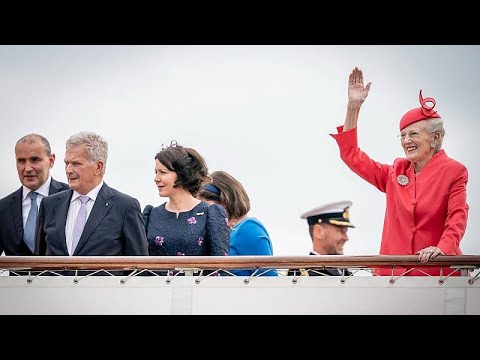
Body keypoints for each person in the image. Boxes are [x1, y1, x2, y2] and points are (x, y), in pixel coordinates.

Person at [330, 67, 469, 276]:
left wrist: (442, 249)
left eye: (413, 134)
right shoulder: (395, 171)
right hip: (392, 277)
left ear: (436, 138)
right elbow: (352, 156)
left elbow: (457, 216)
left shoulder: (455, 171)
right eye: (402, 135)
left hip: (437, 274)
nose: (406, 141)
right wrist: (353, 107)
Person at [35, 131, 149, 259]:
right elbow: (38, 262)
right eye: (67, 163)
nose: (68, 170)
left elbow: (139, 267)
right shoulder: (49, 204)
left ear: (98, 167)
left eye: (76, 163)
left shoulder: (125, 207)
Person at [142, 142, 230, 273]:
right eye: (156, 172)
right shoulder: (151, 214)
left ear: (182, 173)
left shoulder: (211, 213)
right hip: (156, 291)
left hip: (197, 291)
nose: (156, 178)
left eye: (163, 172)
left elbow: (220, 269)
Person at [198, 170, 278, 276]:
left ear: (224, 202)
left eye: (205, 206)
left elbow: (269, 278)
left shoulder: (248, 228)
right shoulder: (219, 230)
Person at [0, 134, 69, 256]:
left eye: (35, 160)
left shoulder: (71, 197)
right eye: (21, 161)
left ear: (51, 161)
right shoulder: (3, 207)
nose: (27, 168)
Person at [288, 200, 354, 277]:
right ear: (319, 232)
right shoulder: (301, 275)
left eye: (346, 232)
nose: (346, 238)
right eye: (340, 231)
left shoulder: (345, 271)